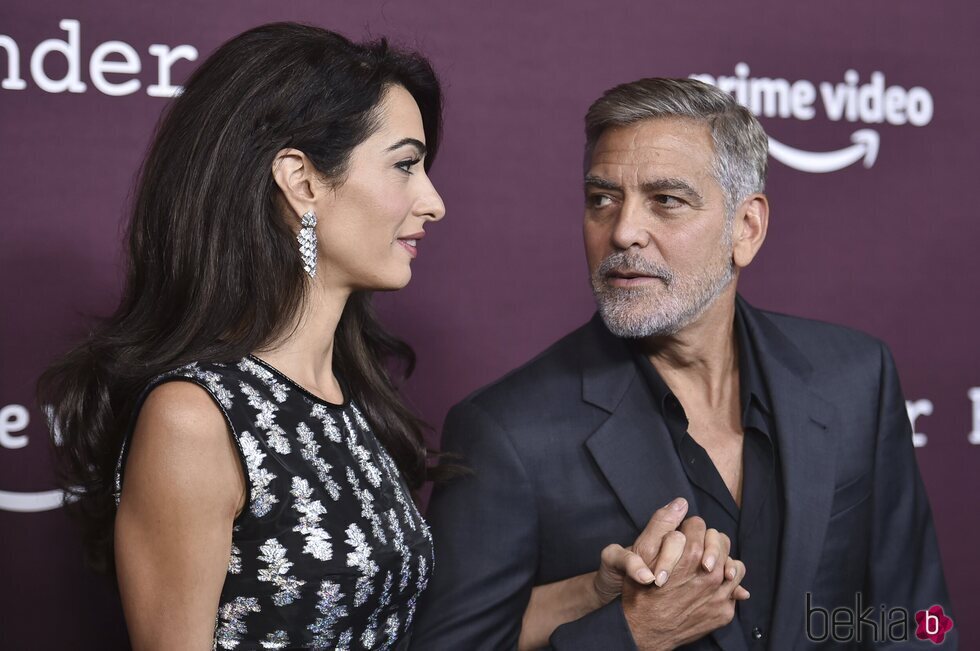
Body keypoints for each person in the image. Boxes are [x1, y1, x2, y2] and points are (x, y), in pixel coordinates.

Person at [412, 78, 956, 649]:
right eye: (602, 199)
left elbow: (920, 619)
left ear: (745, 229)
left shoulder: (856, 378)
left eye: (666, 200)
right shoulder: (508, 432)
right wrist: (628, 632)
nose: (622, 230)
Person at [39, 22, 451, 650]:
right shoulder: (195, 417)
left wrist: (597, 595)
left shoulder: (346, 399)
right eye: (405, 165)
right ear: (301, 180)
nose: (433, 202)